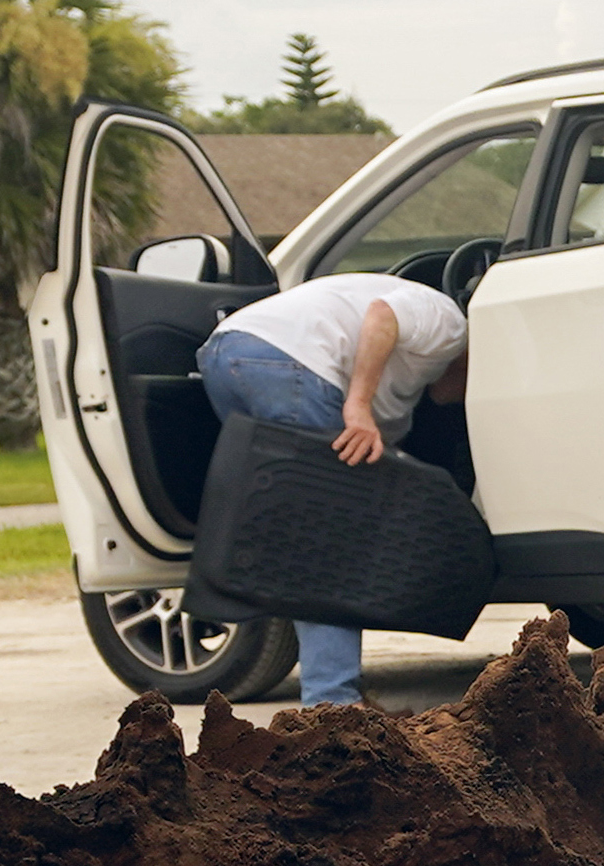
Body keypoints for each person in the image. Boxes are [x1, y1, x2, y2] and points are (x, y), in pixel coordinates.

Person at [194, 270, 471, 705]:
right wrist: (358, 403)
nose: (465, 396)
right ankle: (332, 703)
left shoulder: (405, 395)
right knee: (328, 537)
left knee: (287, 526)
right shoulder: (451, 324)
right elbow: (383, 315)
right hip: (290, 360)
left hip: (224, 352)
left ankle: (318, 683)